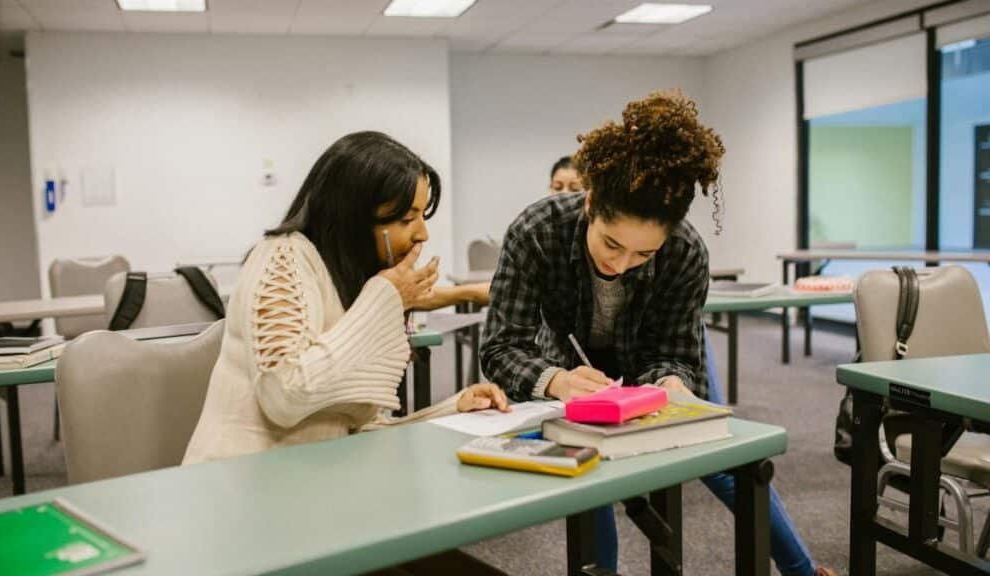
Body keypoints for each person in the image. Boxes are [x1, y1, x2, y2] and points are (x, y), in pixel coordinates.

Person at [481, 92, 835, 576]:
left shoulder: (686, 251)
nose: (620, 264)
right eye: (610, 243)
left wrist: (671, 385)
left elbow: (670, 353)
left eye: (643, 255)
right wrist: (558, 381)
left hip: (649, 353)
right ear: (589, 203)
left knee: (723, 459)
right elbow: (502, 346)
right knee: (588, 469)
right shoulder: (536, 230)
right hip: (569, 365)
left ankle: (802, 572)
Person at [184, 131, 509, 466]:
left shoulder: (348, 279)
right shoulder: (283, 257)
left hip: (307, 481)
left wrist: (451, 408)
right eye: (406, 219)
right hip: (241, 485)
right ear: (352, 217)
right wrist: (385, 296)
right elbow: (286, 395)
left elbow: (354, 428)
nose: (422, 234)